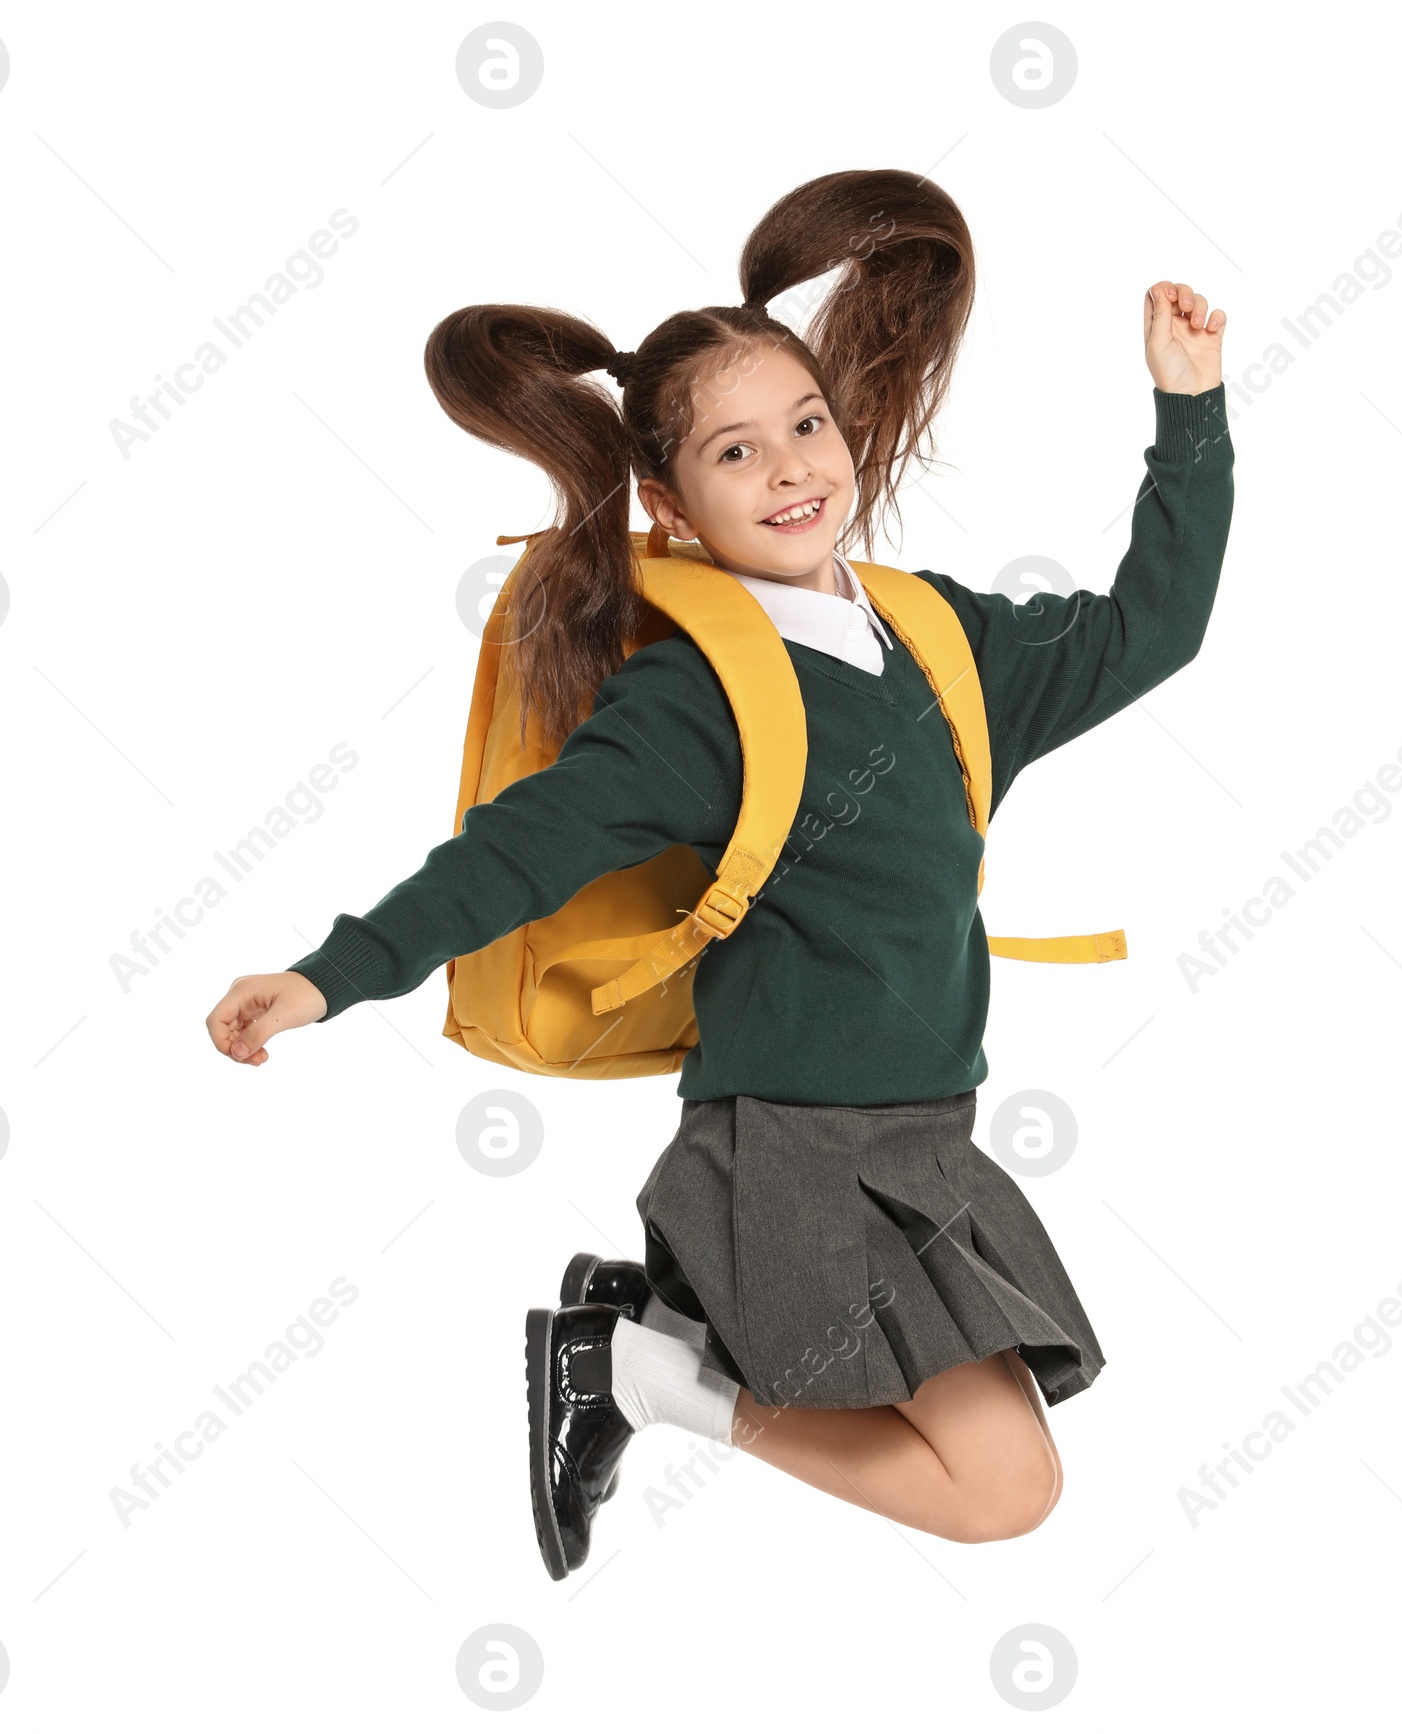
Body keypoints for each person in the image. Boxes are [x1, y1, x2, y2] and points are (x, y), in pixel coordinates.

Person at [204, 168, 1234, 1581]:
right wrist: (329, 974)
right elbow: (519, 849)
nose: (794, 466)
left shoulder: (942, 638)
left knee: (1011, 1473)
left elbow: (1150, 632)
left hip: (925, 1137)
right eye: (736, 452)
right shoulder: (696, 703)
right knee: (1002, 1489)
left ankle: (635, 1346)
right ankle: (636, 1371)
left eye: (805, 423)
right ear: (669, 502)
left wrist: (1191, 412)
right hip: (792, 1150)